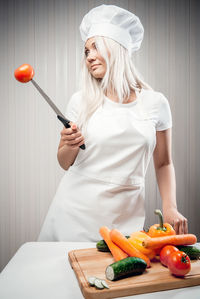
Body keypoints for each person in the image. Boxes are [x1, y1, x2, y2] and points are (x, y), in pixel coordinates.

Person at [38, 4, 188, 242]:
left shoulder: (155, 103)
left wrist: (170, 207)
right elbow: (64, 162)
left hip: (126, 217)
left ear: (117, 48)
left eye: (95, 47)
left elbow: (163, 163)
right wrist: (70, 144)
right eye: (86, 51)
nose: (89, 57)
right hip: (73, 214)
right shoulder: (81, 101)